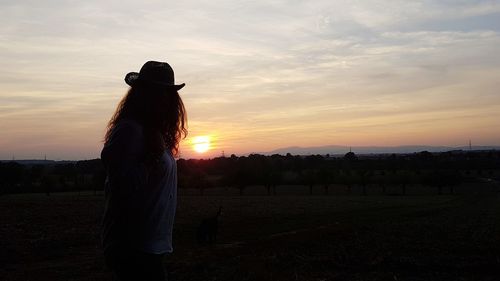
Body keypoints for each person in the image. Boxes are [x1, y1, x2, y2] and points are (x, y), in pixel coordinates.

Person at [101, 61, 187, 281]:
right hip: (134, 248)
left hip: (150, 246)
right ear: (142, 95)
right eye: (158, 93)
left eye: (168, 93)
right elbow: (121, 187)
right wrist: (153, 157)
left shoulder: (152, 132)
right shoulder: (130, 131)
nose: (165, 100)